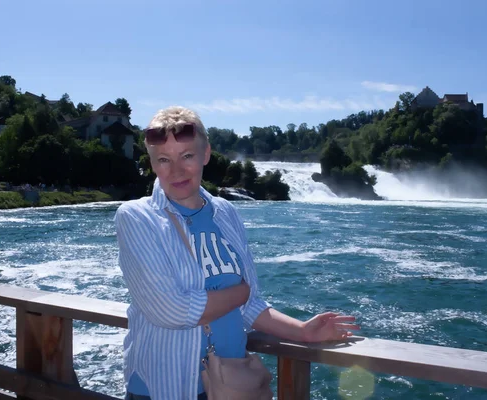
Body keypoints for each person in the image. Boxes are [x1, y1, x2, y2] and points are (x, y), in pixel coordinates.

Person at [114, 106, 359, 400]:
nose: (176, 170)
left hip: (228, 384)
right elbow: (172, 310)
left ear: (205, 154)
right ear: (152, 163)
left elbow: (250, 302)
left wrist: (302, 332)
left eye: (187, 156)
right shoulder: (137, 217)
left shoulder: (225, 213)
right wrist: (238, 294)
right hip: (163, 388)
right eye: (163, 160)